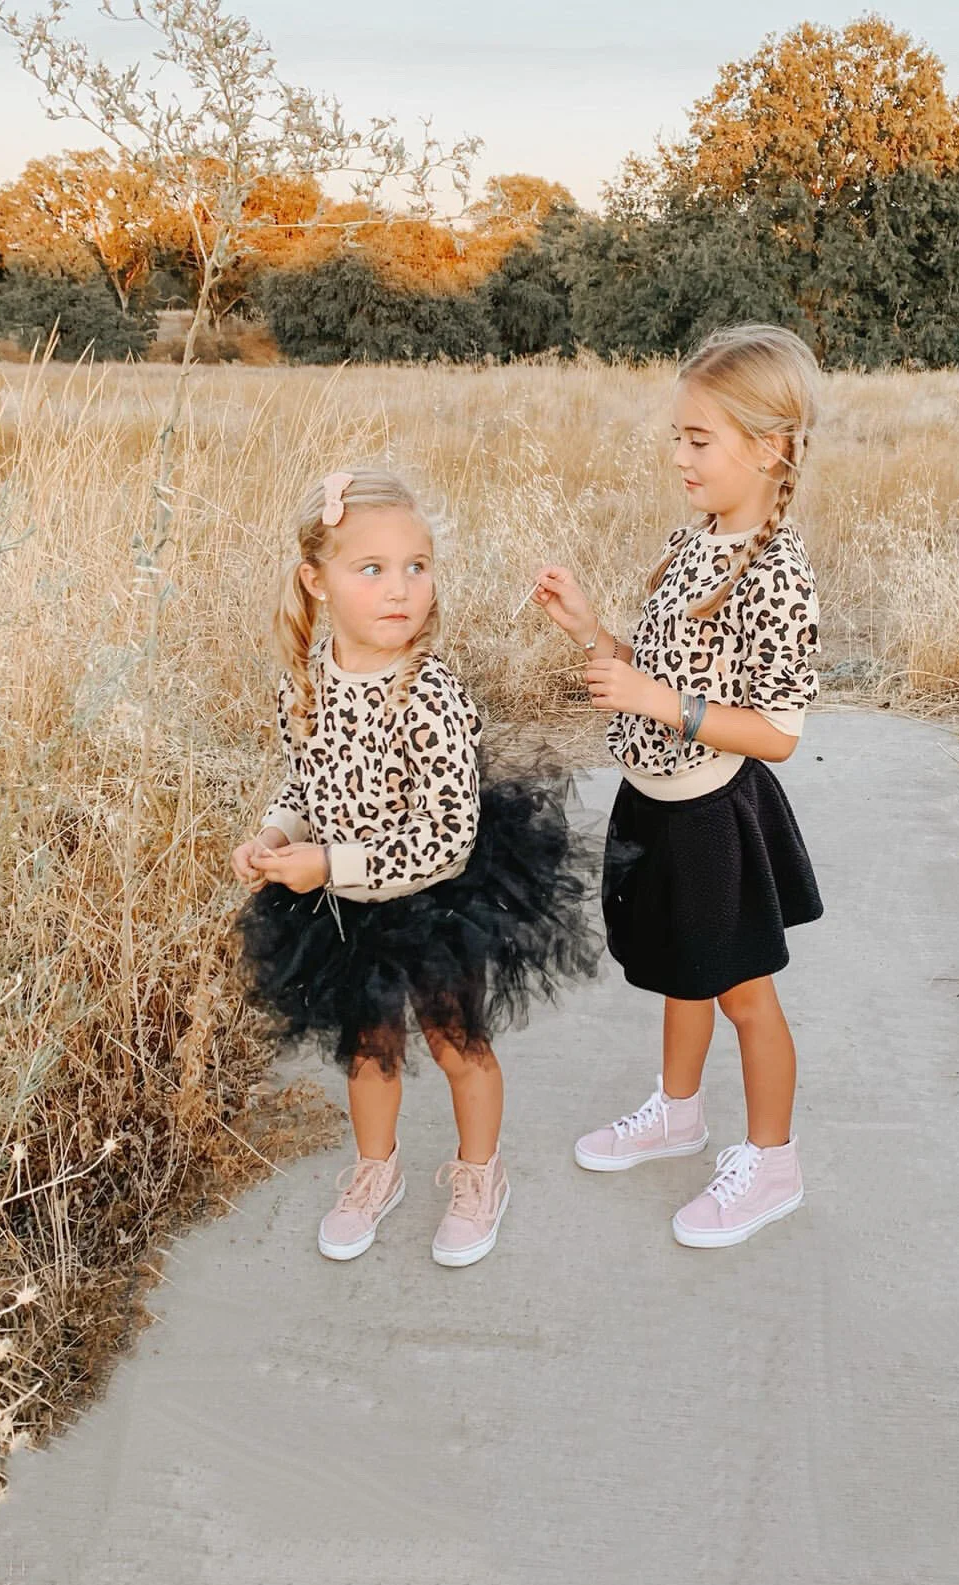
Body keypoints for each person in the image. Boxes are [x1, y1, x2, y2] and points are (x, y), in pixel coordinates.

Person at [233, 467, 598, 1268]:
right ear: (316, 581)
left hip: (436, 896)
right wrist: (274, 832)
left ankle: (479, 1174)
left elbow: (445, 841)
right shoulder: (306, 680)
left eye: (416, 566)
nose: (400, 589)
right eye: (371, 568)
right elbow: (305, 776)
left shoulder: (428, 694)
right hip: (340, 897)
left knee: (455, 1038)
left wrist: (327, 861)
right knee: (369, 1045)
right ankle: (376, 1170)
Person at [534, 323, 824, 1249]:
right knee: (680, 967)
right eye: (678, 437)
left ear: (768, 447)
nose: (679, 455)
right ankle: (678, 1112)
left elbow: (777, 732)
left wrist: (659, 699)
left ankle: (773, 1162)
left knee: (742, 991)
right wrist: (591, 631)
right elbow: (647, 671)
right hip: (652, 797)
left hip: (713, 809)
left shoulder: (779, 574)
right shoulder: (691, 541)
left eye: (698, 439)